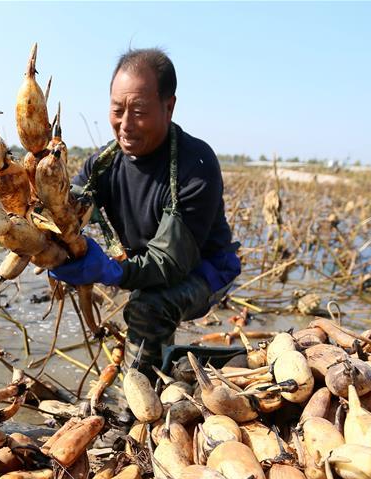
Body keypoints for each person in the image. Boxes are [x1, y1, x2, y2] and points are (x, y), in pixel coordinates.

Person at [48, 48, 241, 379]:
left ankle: (138, 408)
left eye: (138, 111)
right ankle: (172, 369)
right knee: (148, 308)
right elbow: (68, 206)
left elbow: (169, 263)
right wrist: (51, 239)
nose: (125, 125)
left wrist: (110, 271)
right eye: (116, 110)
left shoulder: (195, 166)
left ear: (169, 107)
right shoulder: (102, 165)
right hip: (149, 264)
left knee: (149, 306)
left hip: (205, 270)